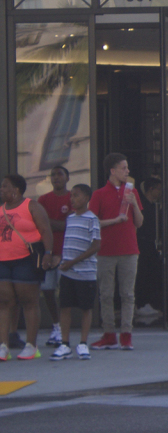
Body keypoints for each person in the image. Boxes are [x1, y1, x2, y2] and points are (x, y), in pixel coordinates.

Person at [0, 174, 59, 362]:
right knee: (4, 303)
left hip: (26, 260)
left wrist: (48, 253)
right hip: (3, 261)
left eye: (5, 186)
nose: (1, 190)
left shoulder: (31, 206)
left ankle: (31, 345)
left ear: (16, 190)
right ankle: (3, 346)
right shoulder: (1, 209)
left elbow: (45, 230)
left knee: (29, 301)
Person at [88, 153, 143, 351]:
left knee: (128, 294)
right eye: (123, 168)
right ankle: (109, 334)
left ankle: (126, 335)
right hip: (106, 251)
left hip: (129, 249)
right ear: (112, 171)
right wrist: (115, 221)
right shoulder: (99, 194)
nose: (127, 171)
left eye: (127, 168)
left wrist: (134, 204)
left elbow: (139, 222)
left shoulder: (132, 193)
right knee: (106, 294)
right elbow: (92, 223)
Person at [52, 184, 100, 361]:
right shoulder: (70, 218)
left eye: (76, 195)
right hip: (67, 273)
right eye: (71, 196)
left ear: (87, 198)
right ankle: (65, 344)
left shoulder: (91, 219)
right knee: (65, 306)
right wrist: (62, 259)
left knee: (86, 308)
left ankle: (83, 343)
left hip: (85, 273)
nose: (72, 199)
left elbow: (95, 245)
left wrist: (72, 262)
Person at [37, 166, 72, 347]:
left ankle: (65, 330)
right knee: (48, 290)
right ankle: (56, 326)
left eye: (59, 174)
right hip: (48, 253)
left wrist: (49, 223)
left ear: (67, 177)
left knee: (66, 292)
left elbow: (70, 225)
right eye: (53, 175)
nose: (56, 177)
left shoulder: (73, 198)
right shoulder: (44, 199)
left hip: (67, 254)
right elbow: (39, 224)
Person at [134, 177, 164, 319]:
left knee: (151, 273)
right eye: (158, 188)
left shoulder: (153, 206)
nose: (160, 192)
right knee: (143, 274)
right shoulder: (143, 206)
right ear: (151, 189)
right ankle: (141, 303)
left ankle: (146, 302)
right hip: (142, 243)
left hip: (150, 243)